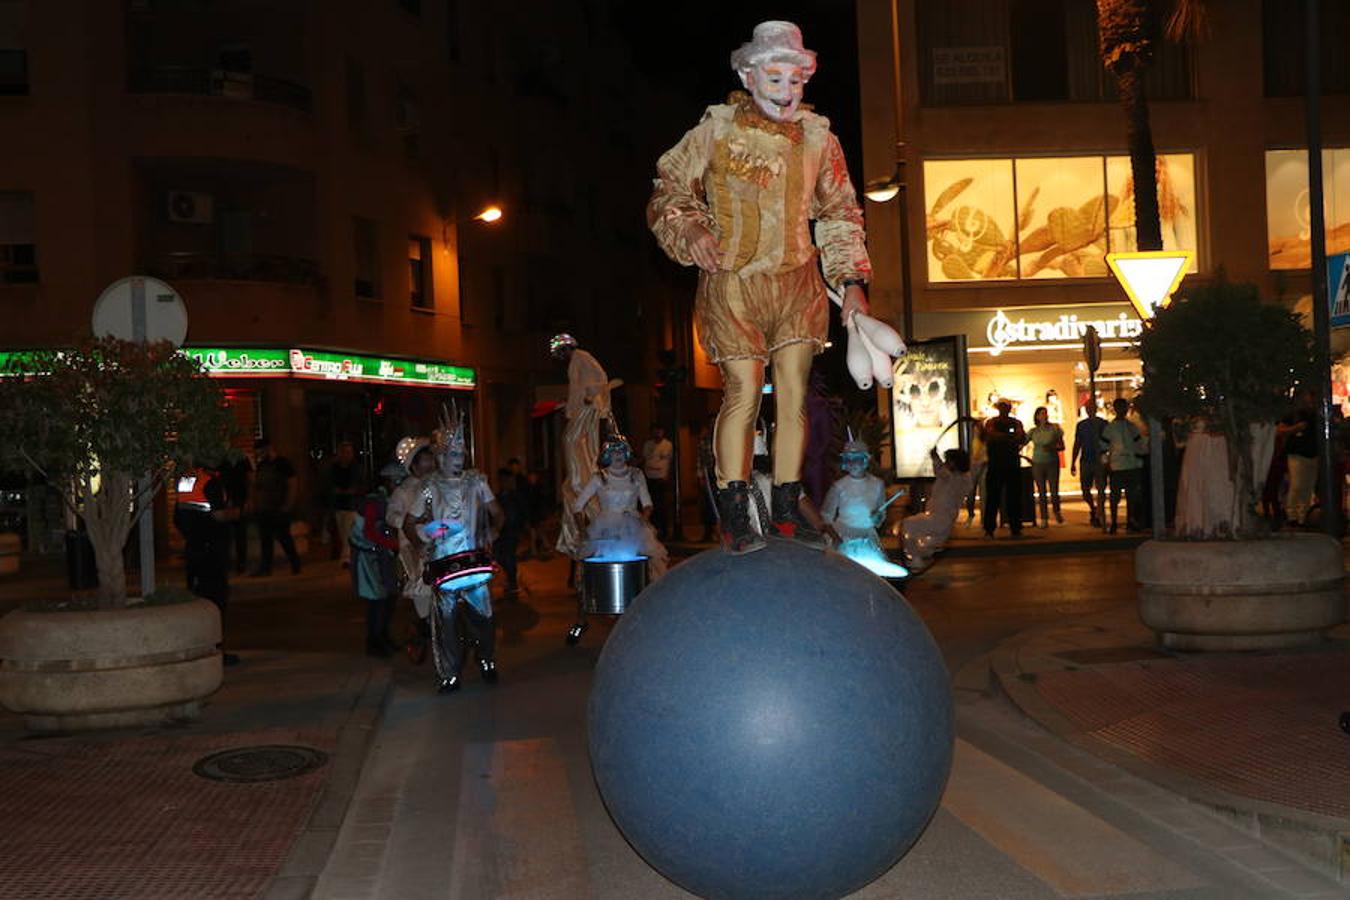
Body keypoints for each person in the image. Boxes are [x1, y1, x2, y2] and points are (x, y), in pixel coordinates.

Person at [648, 20, 871, 555]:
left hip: (796, 280)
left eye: (796, 82)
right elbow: (669, 188)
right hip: (734, 282)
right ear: (749, 76)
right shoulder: (716, 130)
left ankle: (787, 508)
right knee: (744, 391)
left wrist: (851, 282)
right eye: (775, 79)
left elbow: (840, 213)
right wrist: (693, 231)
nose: (787, 93)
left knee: (793, 393)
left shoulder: (820, 138)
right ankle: (735, 508)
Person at [388, 407, 505, 693]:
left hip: (473, 561)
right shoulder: (429, 487)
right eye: (452, 454)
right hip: (444, 563)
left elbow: (497, 513)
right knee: (446, 622)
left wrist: (492, 532)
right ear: (441, 457)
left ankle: (487, 660)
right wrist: (421, 547)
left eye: (461, 453)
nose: (458, 459)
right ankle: (450, 674)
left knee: (484, 617)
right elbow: (408, 523)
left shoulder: (477, 481)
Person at [567, 436, 669, 644]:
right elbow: (578, 506)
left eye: (621, 452)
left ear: (627, 454)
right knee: (588, 576)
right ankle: (581, 620)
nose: (618, 457)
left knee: (645, 573)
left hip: (633, 528)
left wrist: (643, 520)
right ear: (607, 456)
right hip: (604, 530)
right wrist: (582, 530)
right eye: (613, 453)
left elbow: (647, 503)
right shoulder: (599, 478)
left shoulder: (636, 475)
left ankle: (638, 621)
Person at [550, 333, 617, 569]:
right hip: (580, 412)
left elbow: (599, 381)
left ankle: (582, 474)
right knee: (569, 440)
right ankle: (578, 476)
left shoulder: (582, 357)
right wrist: (568, 406)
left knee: (572, 439)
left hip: (587, 413)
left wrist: (592, 399)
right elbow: (575, 392)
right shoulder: (575, 362)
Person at [173, 463, 241, 666]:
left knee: (196, 599)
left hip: (194, 548)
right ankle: (215, 651)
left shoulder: (186, 480)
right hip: (213, 550)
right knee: (215, 602)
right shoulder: (211, 482)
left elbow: (178, 517)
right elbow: (219, 514)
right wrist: (236, 513)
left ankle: (197, 648)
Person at [351, 462, 403, 657]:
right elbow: (369, 532)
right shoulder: (374, 502)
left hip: (380, 554)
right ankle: (374, 641)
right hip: (369, 555)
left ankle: (382, 636)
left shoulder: (388, 500)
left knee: (389, 597)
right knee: (377, 599)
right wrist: (393, 545)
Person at [903, 447, 974, 573]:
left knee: (908, 526)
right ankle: (921, 557)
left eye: (948, 460)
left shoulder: (957, 479)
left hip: (939, 520)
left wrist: (935, 457)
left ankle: (917, 560)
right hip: (940, 519)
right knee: (916, 535)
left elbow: (942, 472)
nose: (946, 463)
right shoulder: (959, 478)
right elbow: (941, 472)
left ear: (954, 462)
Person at [820, 438, 887, 553]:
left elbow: (881, 512)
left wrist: (878, 518)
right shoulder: (839, 486)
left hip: (867, 539)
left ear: (866, 460)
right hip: (842, 536)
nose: (853, 464)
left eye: (857, 459)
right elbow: (826, 517)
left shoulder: (878, 484)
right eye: (848, 459)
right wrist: (836, 539)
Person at [251, 438, 302, 576]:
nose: (259, 454)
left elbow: (292, 483)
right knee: (266, 539)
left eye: (261, 451)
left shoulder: (283, 463)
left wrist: (288, 504)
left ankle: (295, 563)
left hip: (279, 506)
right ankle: (266, 567)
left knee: (284, 537)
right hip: (265, 508)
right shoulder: (262, 465)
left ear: (268, 448)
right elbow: (258, 486)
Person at [1101, 397, 1146, 533]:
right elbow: (1103, 447)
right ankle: (1117, 522)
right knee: (1119, 497)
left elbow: (1103, 447)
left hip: (1125, 465)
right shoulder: (1117, 427)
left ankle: (1125, 522)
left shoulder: (1122, 427)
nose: (1124, 410)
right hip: (1121, 466)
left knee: (1126, 497)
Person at [981, 400, 1026, 537]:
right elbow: (991, 435)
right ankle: (990, 528)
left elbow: (1020, 437)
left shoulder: (1016, 422)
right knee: (993, 498)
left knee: (1013, 497)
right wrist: (1009, 437)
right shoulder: (991, 422)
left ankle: (1015, 527)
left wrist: (1002, 437)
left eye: (1006, 407)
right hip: (997, 463)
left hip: (1010, 464)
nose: (1004, 410)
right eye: (1002, 407)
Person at [1071, 402, 1108, 528]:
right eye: (1087, 408)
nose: (1089, 410)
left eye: (1091, 408)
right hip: (1086, 460)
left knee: (1101, 488)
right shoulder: (1082, 425)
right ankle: (1093, 508)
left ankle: (1098, 514)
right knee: (1085, 489)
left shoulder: (1103, 423)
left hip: (1098, 460)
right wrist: (1073, 462)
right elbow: (1077, 443)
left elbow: (1108, 442)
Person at [1281, 400, 1318, 526]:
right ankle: (1292, 515)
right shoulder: (1294, 413)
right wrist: (1295, 428)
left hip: (1313, 453)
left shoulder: (1316, 414)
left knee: (1307, 486)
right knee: (1297, 484)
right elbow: (1280, 429)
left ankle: (1303, 515)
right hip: (1297, 453)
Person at [1027, 406, 1064, 528]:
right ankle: (1044, 517)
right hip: (1037, 462)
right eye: (1042, 413)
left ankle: (1056, 510)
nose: (1044, 415)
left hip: (1052, 461)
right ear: (1037, 416)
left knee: (1054, 490)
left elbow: (1061, 446)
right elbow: (1022, 442)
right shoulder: (1033, 431)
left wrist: (1053, 448)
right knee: (1041, 492)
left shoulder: (1055, 429)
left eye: (1045, 413)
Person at [493, 466, 527, 596]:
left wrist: (522, 527)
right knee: (500, 556)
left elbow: (522, 512)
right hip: (501, 532)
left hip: (511, 531)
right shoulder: (499, 496)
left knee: (509, 556)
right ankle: (511, 578)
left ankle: (512, 581)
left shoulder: (516, 496)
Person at [220, 453, 253, 574]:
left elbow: (250, 479)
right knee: (228, 534)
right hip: (228, 500)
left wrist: (249, 499)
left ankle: (241, 563)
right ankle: (230, 563)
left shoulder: (242, 459)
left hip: (239, 500)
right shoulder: (222, 460)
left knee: (240, 533)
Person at [330, 440, 362, 566]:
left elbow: (359, 485)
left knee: (348, 530)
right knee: (342, 531)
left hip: (351, 504)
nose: (346, 455)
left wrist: (352, 491)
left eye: (349, 452)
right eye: (344, 452)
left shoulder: (356, 468)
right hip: (339, 504)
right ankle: (346, 555)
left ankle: (346, 557)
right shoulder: (335, 468)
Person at [640, 425, 674, 540]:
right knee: (651, 504)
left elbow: (667, 460)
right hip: (649, 477)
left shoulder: (667, 445)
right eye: (654, 431)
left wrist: (666, 474)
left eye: (659, 431)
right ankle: (654, 529)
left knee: (662, 505)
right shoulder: (647, 445)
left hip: (661, 478)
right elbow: (645, 458)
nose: (657, 433)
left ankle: (664, 530)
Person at [964, 422, 987, 527]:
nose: (976, 430)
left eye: (978, 428)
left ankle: (983, 519)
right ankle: (970, 515)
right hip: (972, 468)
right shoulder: (969, 440)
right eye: (975, 428)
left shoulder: (984, 440)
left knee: (983, 493)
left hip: (983, 466)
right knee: (970, 493)